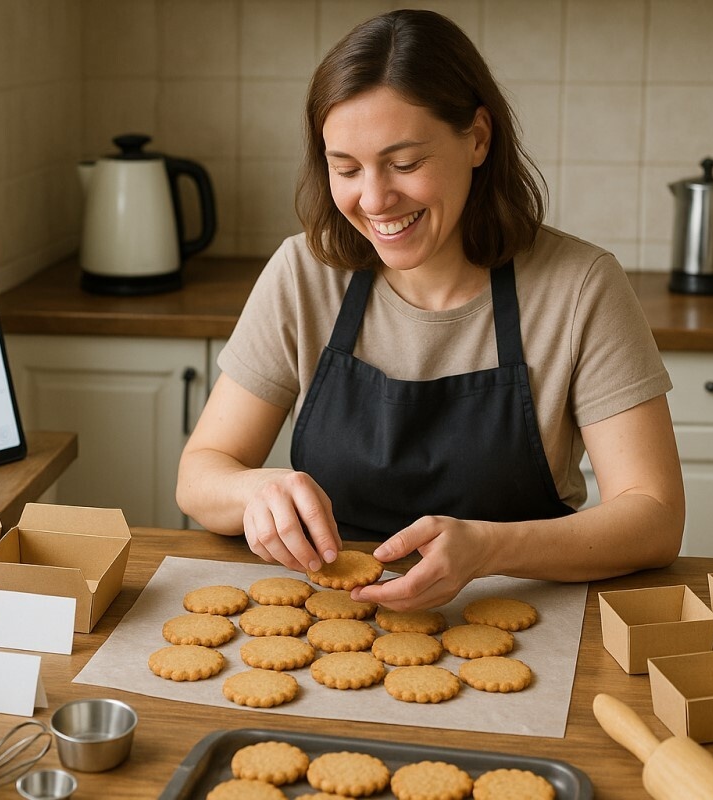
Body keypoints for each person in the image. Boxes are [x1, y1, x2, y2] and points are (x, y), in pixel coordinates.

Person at [176, 9, 684, 610]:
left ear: (478, 138)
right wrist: (255, 491)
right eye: (346, 169)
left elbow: (654, 516)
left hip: (524, 616)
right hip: (336, 618)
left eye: (405, 164)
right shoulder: (303, 274)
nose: (374, 200)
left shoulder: (580, 287)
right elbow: (200, 473)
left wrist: (490, 548)